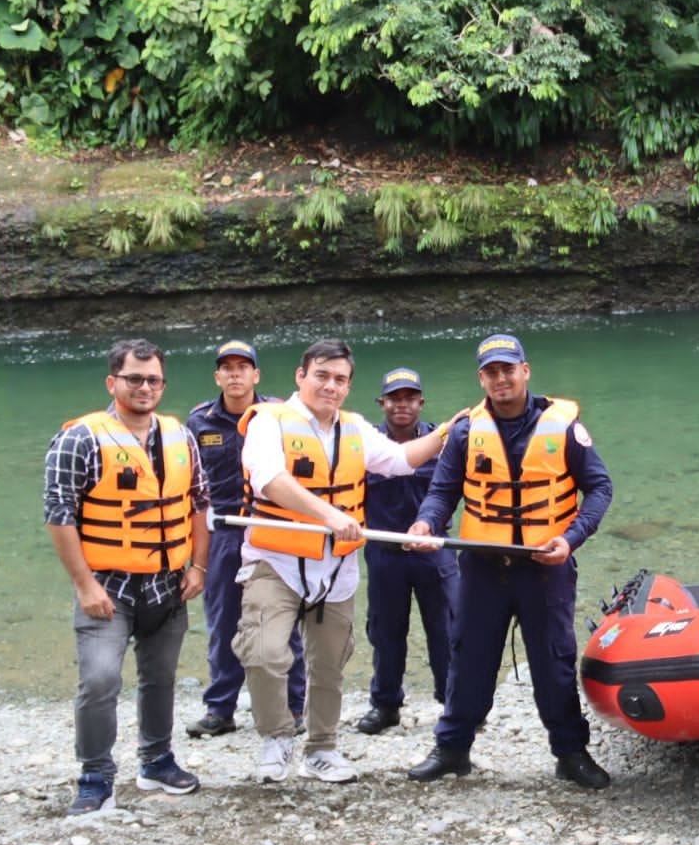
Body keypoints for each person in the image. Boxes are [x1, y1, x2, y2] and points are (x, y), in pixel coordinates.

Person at [404, 333, 615, 789]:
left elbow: (600, 488)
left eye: (508, 369)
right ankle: (453, 749)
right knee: (469, 657)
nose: (500, 378)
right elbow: (442, 493)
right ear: (481, 378)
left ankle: (570, 753)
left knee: (554, 661)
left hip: (546, 567)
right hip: (483, 567)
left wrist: (571, 539)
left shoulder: (564, 428)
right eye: (491, 372)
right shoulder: (465, 431)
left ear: (525, 371)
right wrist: (426, 524)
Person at [235, 339, 448, 785]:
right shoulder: (268, 422)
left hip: (335, 569)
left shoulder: (354, 428)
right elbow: (270, 479)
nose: (330, 386)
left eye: (340, 379)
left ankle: (322, 748)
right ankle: (277, 738)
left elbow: (401, 460)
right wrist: (331, 516)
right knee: (265, 653)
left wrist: (449, 430)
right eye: (322, 376)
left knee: (329, 664)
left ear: (349, 386)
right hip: (275, 562)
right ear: (301, 376)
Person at [44, 339, 210, 815]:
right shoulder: (80, 438)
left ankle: (156, 761)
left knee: (160, 677)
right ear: (111, 382)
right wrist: (85, 585)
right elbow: (59, 514)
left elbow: (200, 503)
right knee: (99, 680)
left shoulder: (180, 436)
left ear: (163, 384)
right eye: (134, 378)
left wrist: (199, 566)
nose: (144, 387)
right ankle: (95, 776)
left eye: (153, 379)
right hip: (107, 586)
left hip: (168, 584)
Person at [185, 340, 306, 739]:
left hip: (273, 528)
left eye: (242, 367)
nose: (235, 374)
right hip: (224, 533)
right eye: (227, 368)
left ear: (256, 375)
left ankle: (293, 706)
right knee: (223, 621)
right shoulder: (199, 422)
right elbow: (189, 487)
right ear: (217, 376)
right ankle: (221, 709)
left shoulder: (279, 416)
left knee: (282, 618)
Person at [356, 367, 459, 734]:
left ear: (421, 402)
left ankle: (453, 704)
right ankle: (385, 705)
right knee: (385, 632)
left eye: (409, 398)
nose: (402, 404)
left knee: (447, 630)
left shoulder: (444, 442)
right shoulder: (365, 444)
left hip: (435, 550)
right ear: (381, 403)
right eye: (394, 398)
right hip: (385, 554)